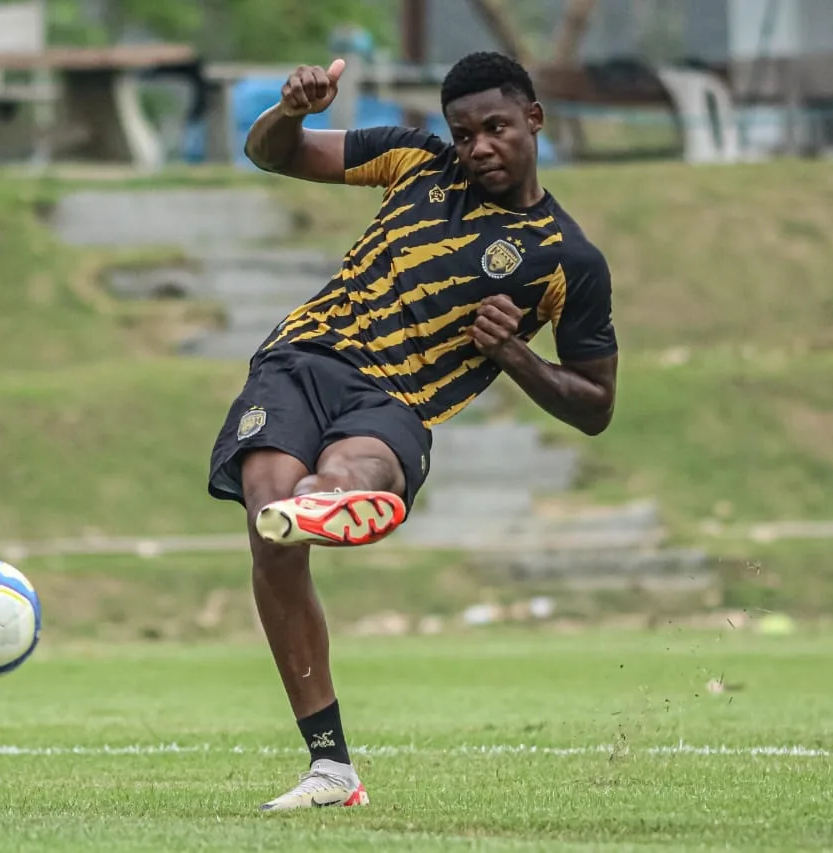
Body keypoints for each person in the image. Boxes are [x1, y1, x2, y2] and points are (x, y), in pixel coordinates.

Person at [206, 50, 619, 811]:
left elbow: (595, 404)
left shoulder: (568, 260)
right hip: (302, 356)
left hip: (395, 399)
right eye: (464, 134)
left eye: (495, 127)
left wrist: (516, 354)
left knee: (339, 475)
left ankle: (335, 499)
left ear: (534, 119)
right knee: (270, 518)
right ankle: (331, 768)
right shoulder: (413, 160)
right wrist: (294, 108)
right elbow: (274, 154)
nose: (478, 148)